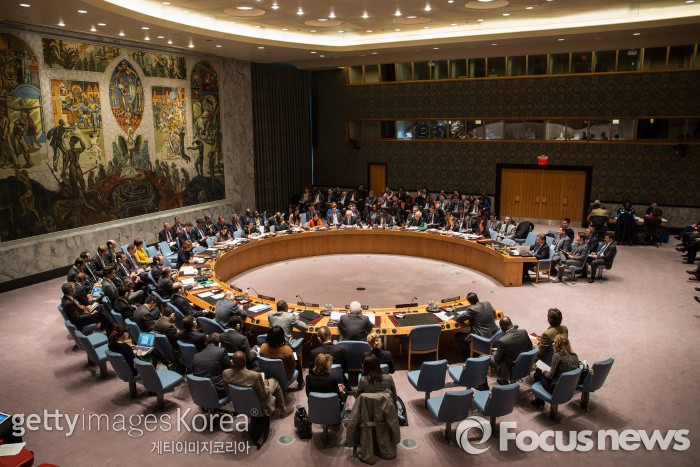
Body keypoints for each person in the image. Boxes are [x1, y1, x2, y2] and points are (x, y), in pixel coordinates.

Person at [222, 351, 294, 417]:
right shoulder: (255, 376)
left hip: (240, 403)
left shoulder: (225, 373)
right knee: (274, 381)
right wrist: (266, 385)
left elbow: (228, 391)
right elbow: (264, 394)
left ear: (232, 362)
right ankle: (283, 410)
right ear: (245, 361)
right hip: (260, 404)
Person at [531, 334, 579, 407]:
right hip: (570, 387)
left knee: (538, 372)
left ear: (557, 344)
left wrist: (544, 372)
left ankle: (539, 401)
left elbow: (550, 376)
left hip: (556, 388)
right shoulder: (575, 356)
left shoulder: (557, 355)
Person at [453, 293, 498, 360]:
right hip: (494, 335)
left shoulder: (472, 309)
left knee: (458, 336)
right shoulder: (487, 304)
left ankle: (469, 355)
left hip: (482, 337)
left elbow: (458, 318)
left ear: (469, 301)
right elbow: (494, 314)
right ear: (477, 298)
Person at [490, 316, 533, 384]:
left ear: (501, 327)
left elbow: (497, 358)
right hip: (522, 363)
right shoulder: (524, 332)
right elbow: (530, 347)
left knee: (485, 358)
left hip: (508, 367)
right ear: (511, 323)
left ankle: (503, 380)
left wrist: (495, 352)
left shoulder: (502, 340)